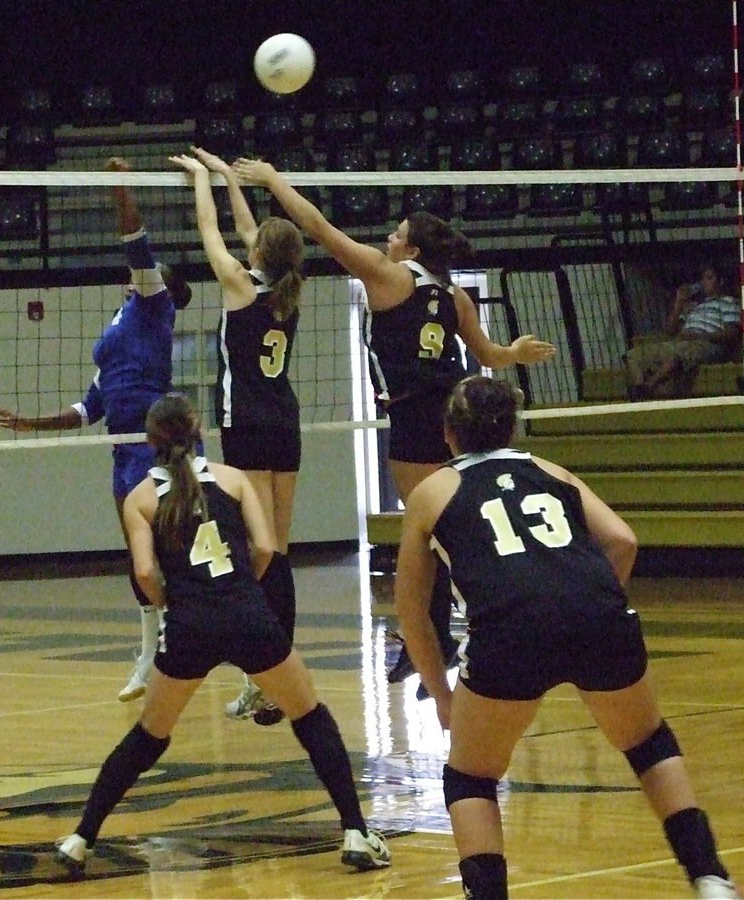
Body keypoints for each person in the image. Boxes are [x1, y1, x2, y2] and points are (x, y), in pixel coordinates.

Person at [393, 374, 742, 900]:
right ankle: (711, 878)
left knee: (470, 777)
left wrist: (443, 699)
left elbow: (413, 615)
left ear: (448, 434)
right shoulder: (548, 469)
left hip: (509, 631)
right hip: (599, 615)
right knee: (648, 745)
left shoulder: (430, 492)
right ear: (512, 428)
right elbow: (623, 540)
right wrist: (584, 605)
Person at [230, 157, 557, 698]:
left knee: (431, 533)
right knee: (443, 526)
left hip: (415, 417)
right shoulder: (454, 296)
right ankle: (439, 640)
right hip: (458, 414)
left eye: (397, 233)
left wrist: (271, 181)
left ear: (413, 250)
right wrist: (514, 351)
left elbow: (315, 227)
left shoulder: (387, 277)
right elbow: (486, 355)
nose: (388, 236)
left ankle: (446, 639)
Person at [53, 393, 392, 877]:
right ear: (197, 433)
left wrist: (179, 602)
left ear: (150, 441)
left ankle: (80, 839)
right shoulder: (232, 480)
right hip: (247, 615)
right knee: (309, 715)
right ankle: (356, 832)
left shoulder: (140, 498)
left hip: (189, 626)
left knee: (150, 736)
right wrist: (240, 589)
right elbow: (267, 547)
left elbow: (146, 574)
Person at [0, 157, 192, 704]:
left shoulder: (155, 306)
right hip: (119, 448)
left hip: (157, 443)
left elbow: (134, 240)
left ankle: (195, 640)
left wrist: (120, 189)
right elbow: (89, 407)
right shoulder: (117, 327)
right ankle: (151, 652)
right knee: (137, 553)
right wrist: (29, 422)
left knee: (172, 546)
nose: (140, 273)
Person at [168, 147, 307, 726]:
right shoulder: (286, 289)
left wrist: (202, 180)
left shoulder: (239, 285)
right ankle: (274, 674)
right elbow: (251, 230)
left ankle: (267, 673)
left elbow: (210, 231)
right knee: (277, 548)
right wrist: (229, 178)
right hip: (284, 423)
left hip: (246, 425)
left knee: (259, 551)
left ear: (257, 254)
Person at [625, 262, 741, 399]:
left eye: (709, 278)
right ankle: (640, 389)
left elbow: (731, 335)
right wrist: (678, 303)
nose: (704, 282)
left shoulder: (728, 302)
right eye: (703, 278)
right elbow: (669, 331)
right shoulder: (694, 306)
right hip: (681, 342)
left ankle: (649, 386)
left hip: (706, 344)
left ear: (720, 281)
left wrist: (698, 336)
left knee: (677, 356)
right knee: (633, 355)